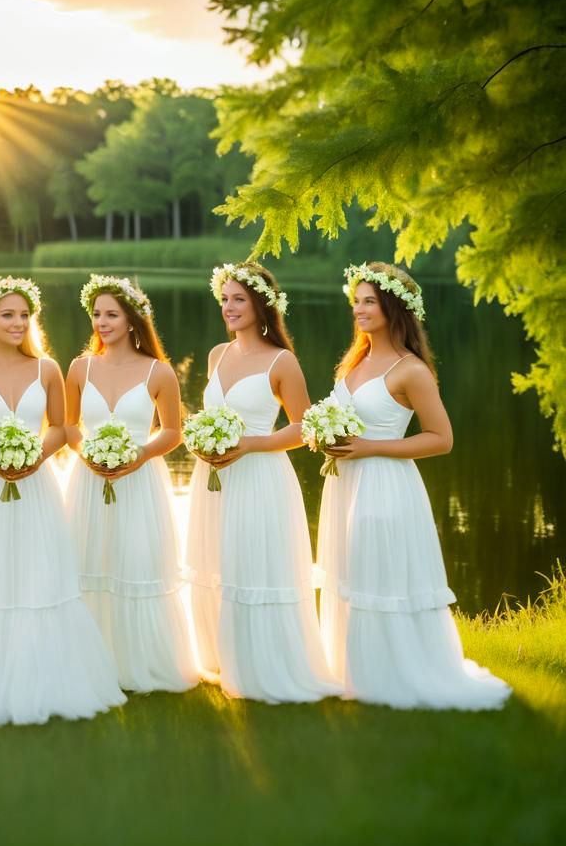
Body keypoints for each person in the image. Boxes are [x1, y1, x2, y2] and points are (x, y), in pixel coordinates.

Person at [0, 276, 125, 725]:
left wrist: (35, 455)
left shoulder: (46, 368)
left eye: (24, 315)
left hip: (37, 486)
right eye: (7, 315)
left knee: (40, 575)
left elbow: (60, 425)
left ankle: (48, 677)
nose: (18, 323)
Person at [315, 262, 511, 710]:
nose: (359, 310)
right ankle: (351, 670)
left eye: (369, 301)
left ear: (393, 306)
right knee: (350, 573)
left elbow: (441, 439)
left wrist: (369, 447)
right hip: (344, 484)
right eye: (356, 302)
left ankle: (390, 675)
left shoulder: (411, 370)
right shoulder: (356, 360)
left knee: (380, 577)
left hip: (383, 484)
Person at [186, 262, 339, 703]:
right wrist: (204, 441)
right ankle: (222, 658)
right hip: (214, 478)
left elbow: (302, 428)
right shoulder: (218, 355)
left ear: (261, 304)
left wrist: (250, 445)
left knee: (254, 567)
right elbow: (210, 415)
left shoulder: (281, 360)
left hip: (260, 476)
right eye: (225, 300)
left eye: (238, 299)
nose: (229, 308)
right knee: (217, 565)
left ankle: (265, 664)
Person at [64, 275, 198, 693]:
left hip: (140, 482)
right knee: (89, 563)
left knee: (136, 563)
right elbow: (68, 425)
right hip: (88, 481)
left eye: (111, 314)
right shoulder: (79, 367)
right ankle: (87, 662)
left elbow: (172, 432)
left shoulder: (159, 372)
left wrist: (136, 455)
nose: (101, 322)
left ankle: (139, 664)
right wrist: (87, 453)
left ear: (132, 319)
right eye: (97, 314)